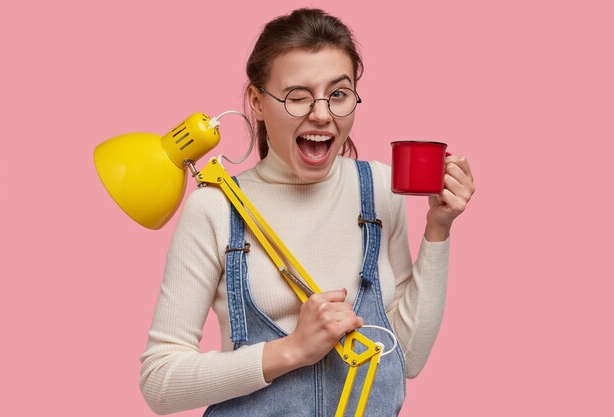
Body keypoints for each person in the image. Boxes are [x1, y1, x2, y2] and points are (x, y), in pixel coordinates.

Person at [139, 8, 475, 416]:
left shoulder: (381, 192)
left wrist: (438, 229)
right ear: (257, 102)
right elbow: (160, 382)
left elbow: (406, 356)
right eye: (297, 96)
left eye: (338, 94)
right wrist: (292, 350)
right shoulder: (214, 207)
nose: (321, 113)